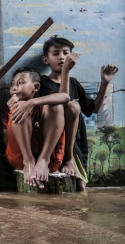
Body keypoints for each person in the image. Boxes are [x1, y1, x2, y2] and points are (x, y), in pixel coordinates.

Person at [39, 36, 119, 191]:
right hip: (54, 142)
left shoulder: (74, 82)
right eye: (55, 53)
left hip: (76, 142)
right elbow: (64, 100)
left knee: (81, 188)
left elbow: (93, 109)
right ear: (46, 60)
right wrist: (66, 71)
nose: (61, 57)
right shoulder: (43, 83)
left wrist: (104, 83)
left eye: (65, 53)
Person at [0, 66, 73, 189]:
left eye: (20, 83)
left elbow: (65, 97)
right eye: (12, 84)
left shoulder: (43, 106)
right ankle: (29, 162)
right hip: (20, 159)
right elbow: (7, 141)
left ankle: (43, 159)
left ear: (36, 87)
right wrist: (12, 112)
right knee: (19, 107)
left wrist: (32, 102)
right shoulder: (4, 109)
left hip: (48, 160)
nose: (14, 88)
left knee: (57, 106)